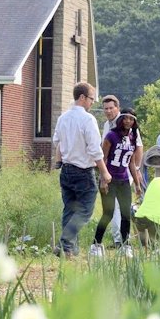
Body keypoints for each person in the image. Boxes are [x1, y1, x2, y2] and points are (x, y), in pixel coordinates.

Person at [53, 82, 112, 256]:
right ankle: (64, 243)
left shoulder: (63, 118)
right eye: (91, 99)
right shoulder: (87, 119)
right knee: (85, 210)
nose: (92, 102)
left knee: (69, 209)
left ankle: (68, 251)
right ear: (82, 97)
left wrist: (59, 160)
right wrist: (104, 172)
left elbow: (57, 142)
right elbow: (94, 149)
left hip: (66, 170)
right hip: (83, 172)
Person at [92, 109, 142, 256]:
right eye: (125, 118)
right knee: (108, 213)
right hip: (110, 179)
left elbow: (131, 162)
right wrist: (103, 180)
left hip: (124, 180)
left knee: (126, 214)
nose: (128, 121)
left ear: (134, 122)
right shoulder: (111, 136)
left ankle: (125, 246)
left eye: (131, 119)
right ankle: (96, 245)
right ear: (120, 120)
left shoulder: (132, 137)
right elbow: (104, 158)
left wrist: (137, 184)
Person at [100, 95, 145, 246]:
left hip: (125, 173)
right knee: (111, 210)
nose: (108, 111)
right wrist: (103, 176)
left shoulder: (129, 125)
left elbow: (138, 148)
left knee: (122, 209)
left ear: (117, 108)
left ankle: (121, 240)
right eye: (105, 109)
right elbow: (104, 153)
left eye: (111, 108)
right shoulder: (108, 127)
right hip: (110, 174)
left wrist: (136, 171)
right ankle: (116, 239)